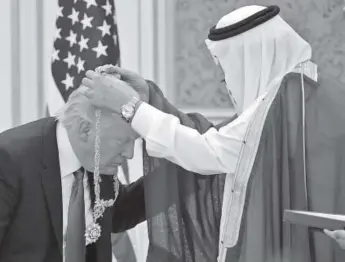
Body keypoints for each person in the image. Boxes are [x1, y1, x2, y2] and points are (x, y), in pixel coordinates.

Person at [83, 5, 345, 262]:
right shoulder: (311, 91)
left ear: (249, 63)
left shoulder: (286, 101)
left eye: (227, 76)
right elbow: (219, 140)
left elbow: (211, 152)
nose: (229, 88)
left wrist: (131, 108)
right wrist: (148, 100)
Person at [0, 86, 146, 262]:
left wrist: (176, 168)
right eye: (122, 141)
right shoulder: (9, 159)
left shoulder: (98, 158)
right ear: (85, 129)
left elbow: (119, 213)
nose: (129, 154)